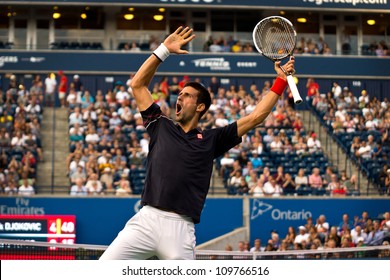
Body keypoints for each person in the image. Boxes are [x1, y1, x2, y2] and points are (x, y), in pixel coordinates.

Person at [99, 26, 296, 260]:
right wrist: (163, 50)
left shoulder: (212, 139)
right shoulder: (160, 125)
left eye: (186, 95)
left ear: (200, 107)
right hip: (146, 221)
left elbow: (255, 117)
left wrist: (281, 81)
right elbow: (138, 85)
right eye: (179, 94)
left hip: (180, 229)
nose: (179, 97)